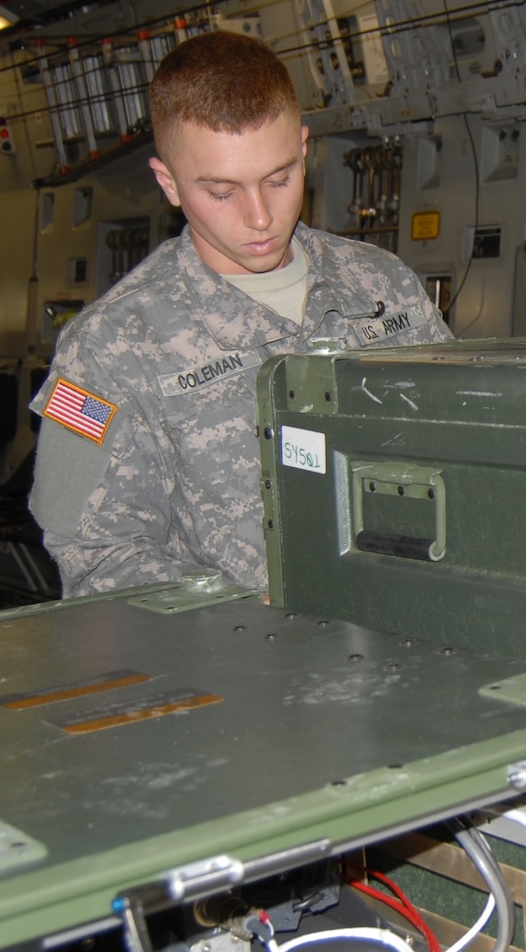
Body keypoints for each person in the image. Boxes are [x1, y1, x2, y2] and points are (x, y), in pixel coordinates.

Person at [29, 31, 450, 597]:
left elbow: (463, 439)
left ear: (304, 149)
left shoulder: (382, 284)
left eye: (279, 179)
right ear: (168, 183)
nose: (260, 218)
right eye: (222, 192)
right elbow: (94, 558)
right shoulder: (104, 347)